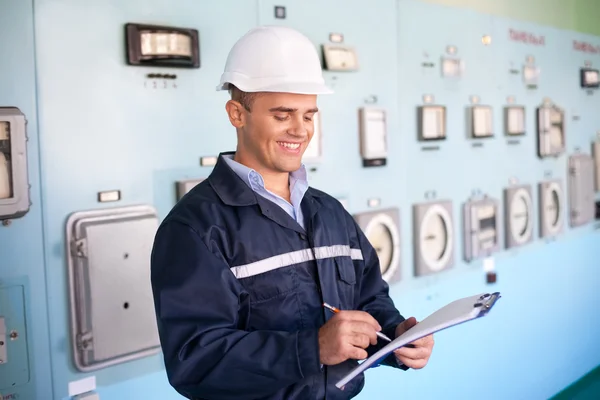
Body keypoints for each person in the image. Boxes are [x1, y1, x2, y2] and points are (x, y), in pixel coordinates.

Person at [150, 25, 434, 400]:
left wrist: (397, 336)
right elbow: (195, 360)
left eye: (309, 115)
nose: (299, 130)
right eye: (283, 115)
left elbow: (368, 300)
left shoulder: (329, 212)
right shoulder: (196, 229)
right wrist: (312, 348)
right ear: (237, 113)